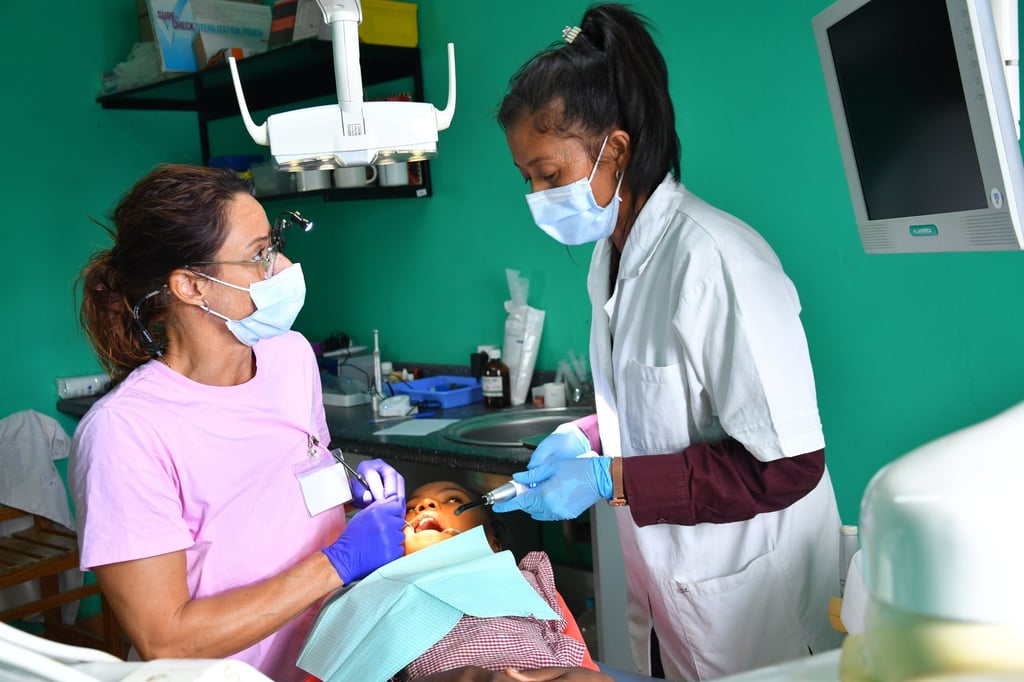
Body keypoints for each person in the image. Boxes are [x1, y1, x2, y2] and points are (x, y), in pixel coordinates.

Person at [493, 4, 845, 680]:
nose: (535, 195)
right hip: (670, 600)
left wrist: (609, 477)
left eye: (548, 174)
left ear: (615, 151)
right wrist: (588, 436)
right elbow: (663, 400)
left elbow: (787, 465)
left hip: (754, 611)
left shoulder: (716, 261)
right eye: (525, 177)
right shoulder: (612, 258)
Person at [68, 163, 408, 681]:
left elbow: (288, 488)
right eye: (258, 255)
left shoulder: (290, 357)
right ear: (190, 286)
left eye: (275, 245)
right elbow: (166, 639)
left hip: (329, 660)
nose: (283, 266)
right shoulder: (126, 432)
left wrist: (350, 495)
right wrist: (337, 562)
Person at [301, 480, 609, 681]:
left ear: (492, 543)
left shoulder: (527, 581)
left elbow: (581, 663)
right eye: (411, 507)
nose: (424, 506)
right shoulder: (370, 598)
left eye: (452, 500)